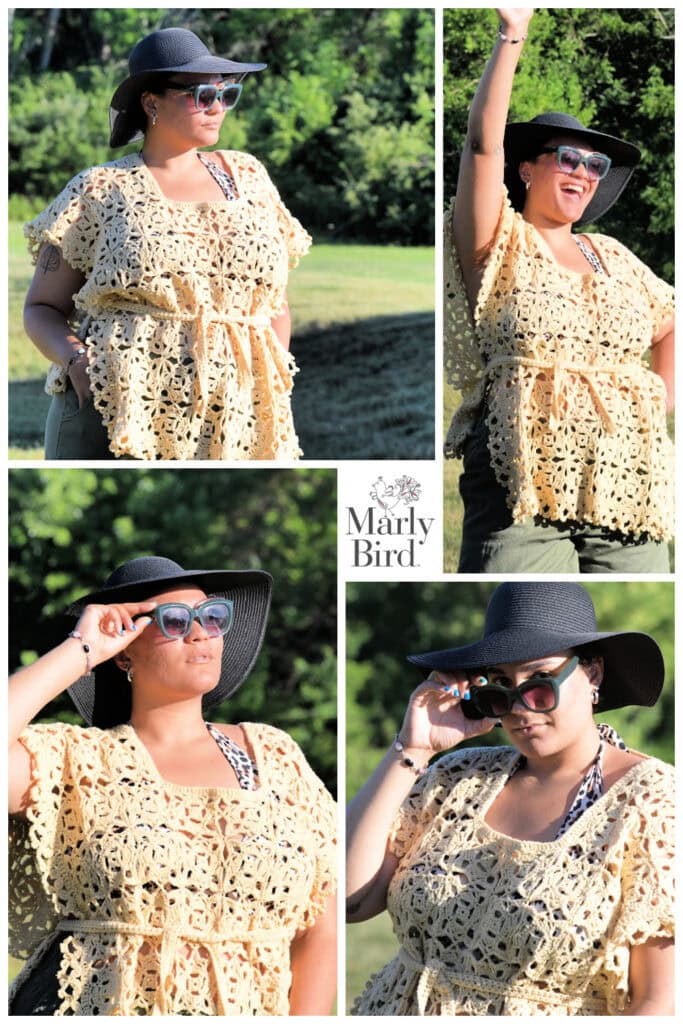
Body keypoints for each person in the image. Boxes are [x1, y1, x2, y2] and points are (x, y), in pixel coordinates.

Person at [9, 556, 336, 1016]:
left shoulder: (274, 753)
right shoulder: (76, 762)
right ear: (124, 649)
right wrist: (81, 647)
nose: (200, 632)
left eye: (212, 616)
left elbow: (323, 919)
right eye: (175, 621)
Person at [347, 582, 674, 1015]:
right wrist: (413, 749)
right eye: (500, 687)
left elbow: (660, 1000)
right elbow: (352, 900)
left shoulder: (652, 801)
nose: (520, 706)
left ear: (592, 673)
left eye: (540, 682)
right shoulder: (455, 778)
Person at [445, 8, 675, 572]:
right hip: (521, 479)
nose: (585, 172)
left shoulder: (612, 254)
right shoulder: (497, 241)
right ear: (526, 169)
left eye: (595, 164)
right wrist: (511, 34)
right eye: (568, 157)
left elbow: (670, 320)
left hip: (628, 483)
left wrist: (659, 398)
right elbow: (480, 147)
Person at [23, 28, 311, 460]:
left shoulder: (250, 177)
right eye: (201, 95)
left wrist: (269, 379)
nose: (218, 108)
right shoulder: (99, 190)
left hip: (237, 416)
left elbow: (274, 303)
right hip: (114, 407)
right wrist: (81, 365)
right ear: (151, 102)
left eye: (227, 95)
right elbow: (40, 309)